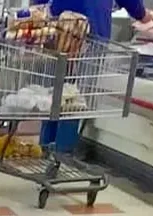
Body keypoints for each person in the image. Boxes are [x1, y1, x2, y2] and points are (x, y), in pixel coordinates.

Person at [41, 0, 153, 150]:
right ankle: (61, 151)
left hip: (58, 28)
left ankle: (46, 148)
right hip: (92, 33)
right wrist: (143, 15)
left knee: (53, 94)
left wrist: (40, 14)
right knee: (74, 100)